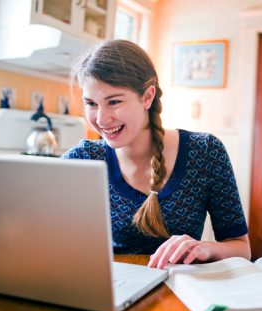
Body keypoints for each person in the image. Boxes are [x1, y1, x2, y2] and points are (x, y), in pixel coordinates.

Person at [62, 39, 251, 269]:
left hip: (180, 291)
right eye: (91, 103)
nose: (101, 119)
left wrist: (205, 247)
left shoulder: (206, 151)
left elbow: (241, 248)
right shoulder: (84, 158)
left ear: (148, 97)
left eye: (114, 102)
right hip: (110, 289)